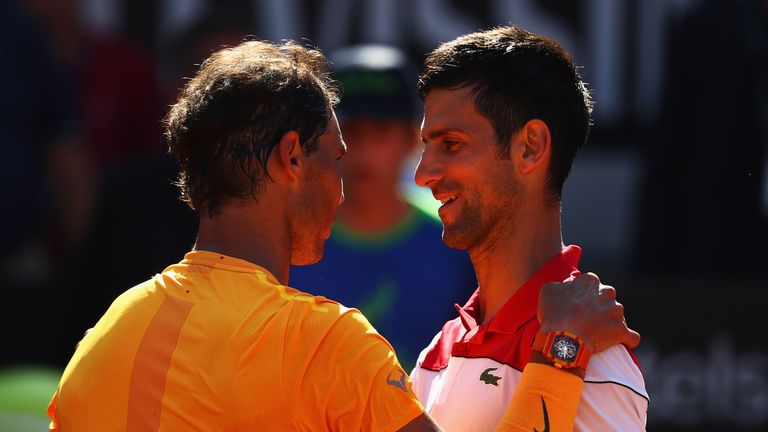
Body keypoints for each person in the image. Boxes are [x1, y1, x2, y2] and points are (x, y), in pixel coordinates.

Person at [47, 39, 640, 431]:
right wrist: (560, 353)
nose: (346, 185)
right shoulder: (326, 345)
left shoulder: (106, 335)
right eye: (336, 156)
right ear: (291, 159)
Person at [409, 26, 649, 431]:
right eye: (425, 146)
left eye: (451, 143)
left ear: (530, 147)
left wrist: (562, 350)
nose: (423, 174)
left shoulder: (597, 357)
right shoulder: (439, 348)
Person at [290, 44, 476, 370]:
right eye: (351, 132)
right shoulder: (285, 241)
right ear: (324, 139)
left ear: (411, 138)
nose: (364, 151)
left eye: (381, 132)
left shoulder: (458, 239)